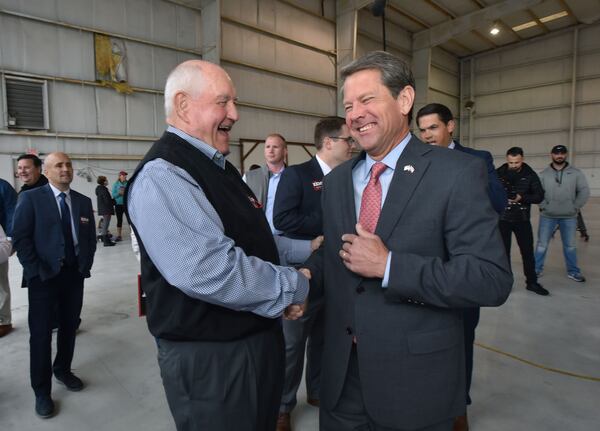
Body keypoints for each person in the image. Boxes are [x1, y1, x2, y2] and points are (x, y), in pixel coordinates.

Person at [303, 51, 512, 431]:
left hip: (415, 384)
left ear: (404, 100)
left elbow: (490, 278)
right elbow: (337, 255)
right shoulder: (335, 182)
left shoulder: (457, 173)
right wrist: (304, 279)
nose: (355, 114)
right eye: (349, 105)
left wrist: (390, 267)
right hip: (341, 380)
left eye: (367, 99)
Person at [125, 59, 309, 431]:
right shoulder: (165, 174)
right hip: (214, 361)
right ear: (183, 106)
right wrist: (293, 286)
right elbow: (208, 269)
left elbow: (249, 237)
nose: (235, 114)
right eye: (223, 102)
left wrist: (305, 253)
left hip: (249, 345)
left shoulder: (216, 167)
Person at [416, 102, 507, 431]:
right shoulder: (414, 163)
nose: (427, 135)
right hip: (426, 267)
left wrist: (461, 176)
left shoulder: (477, 160)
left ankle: (458, 405)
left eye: (433, 128)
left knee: (463, 336)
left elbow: (498, 203)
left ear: (450, 126)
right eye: (422, 130)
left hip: (464, 269)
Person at [272, 116, 353, 431]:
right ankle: (282, 406)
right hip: (302, 272)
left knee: (324, 337)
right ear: (330, 142)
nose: (353, 146)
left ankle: (318, 390)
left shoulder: (348, 176)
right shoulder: (298, 175)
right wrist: (322, 229)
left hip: (336, 271)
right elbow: (282, 218)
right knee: (293, 343)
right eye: (348, 140)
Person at [12, 152, 97, 419]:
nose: (65, 169)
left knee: (69, 327)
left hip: (74, 276)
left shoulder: (83, 202)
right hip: (43, 279)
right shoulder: (30, 199)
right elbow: (22, 239)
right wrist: (36, 271)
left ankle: (63, 369)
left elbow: (89, 239)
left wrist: (84, 266)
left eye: (68, 164)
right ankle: (41, 390)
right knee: (40, 336)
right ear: (46, 171)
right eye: (58, 165)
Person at [243, 133, 322, 267]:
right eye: (267, 146)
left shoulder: (296, 177)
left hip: (289, 240)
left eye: (275, 147)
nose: (270, 150)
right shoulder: (249, 178)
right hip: (260, 239)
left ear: (285, 151)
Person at [535, 145, 590, 282]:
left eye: (562, 153)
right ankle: (536, 269)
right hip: (547, 216)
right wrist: (543, 207)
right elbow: (537, 192)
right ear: (551, 155)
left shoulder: (576, 173)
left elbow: (584, 191)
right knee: (542, 244)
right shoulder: (543, 174)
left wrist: (575, 207)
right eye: (556, 153)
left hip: (569, 216)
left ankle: (573, 271)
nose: (559, 156)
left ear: (565, 155)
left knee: (570, 245)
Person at [496, 147, 547, 295]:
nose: (513, 165)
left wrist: (521, 198)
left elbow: (539, 196)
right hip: (503, 219)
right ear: (507, 159)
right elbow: (489, 193)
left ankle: (532, 282)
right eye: (511, 162)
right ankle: (505, 283)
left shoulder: (530, 175)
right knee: (503, 254)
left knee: (527, 252)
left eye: (516, 162)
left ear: (522, 159)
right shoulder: (499, 174)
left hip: (522, 219)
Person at [0, 178, 17, 337]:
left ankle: (3, 321)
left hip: (1, 239)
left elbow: (12, 212)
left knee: (0, 284)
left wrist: (11, 240)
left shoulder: (3, 186)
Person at [95, 176, 116, 247]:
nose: (107, 181)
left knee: (105, 225)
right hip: (106, 210)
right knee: (105, 225)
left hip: (104, 210)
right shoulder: (103, 190)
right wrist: (114, 201)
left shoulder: (100, 189)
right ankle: (106, 242)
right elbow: (107, 201)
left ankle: (106, 241)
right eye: (106, 180)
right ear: (104, 181)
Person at [111, 171, 128, 241]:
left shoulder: (128, 183)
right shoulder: (116, 184)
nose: (124, 177)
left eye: (125, 176)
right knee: (119, 220)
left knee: (130, 220)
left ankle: (133, 234)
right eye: (123, 176)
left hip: (127, 204)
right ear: (119, 176)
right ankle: (119, 235)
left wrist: (126, 193)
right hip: (118, 205)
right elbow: (113, 195)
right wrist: (119, 193)